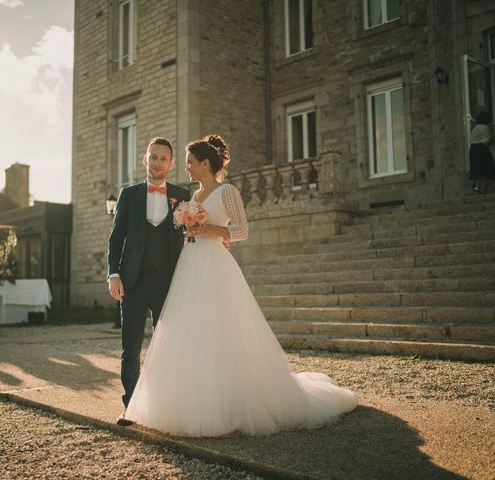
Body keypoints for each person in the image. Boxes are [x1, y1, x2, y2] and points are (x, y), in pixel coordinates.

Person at [123, 135, 358, 437]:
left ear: (205, 163)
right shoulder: (192, 196)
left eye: (190, 163)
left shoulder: (227, 191)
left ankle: (228, 402)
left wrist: (207, 228)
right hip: (190, 264)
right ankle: (193, 400)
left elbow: (242, 230)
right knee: (191, 332)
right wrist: (188, 229)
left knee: (223, 330)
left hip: (215, 265)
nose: (187, 168)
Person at [107, 137, 192, 426]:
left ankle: (164, 404)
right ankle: (130, 407)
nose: (157, 163)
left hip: (169, 281)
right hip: (132, 282)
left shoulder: (183, 196)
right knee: (130, 346)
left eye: (163, 158)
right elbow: (116, 238)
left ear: (171, 163)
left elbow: (193, 234)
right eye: (153, 157)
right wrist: (113, 274)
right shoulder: (128, 195)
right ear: (145, 159)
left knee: (166, 344)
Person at [469, 111, 495, 194]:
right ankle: (483, 192)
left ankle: (478, 188)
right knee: (485, 172)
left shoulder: (475, 128)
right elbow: (486, 143)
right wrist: (494, 139)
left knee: (478, 173)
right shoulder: (485, 128)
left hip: (473, 151)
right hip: (481, 151)